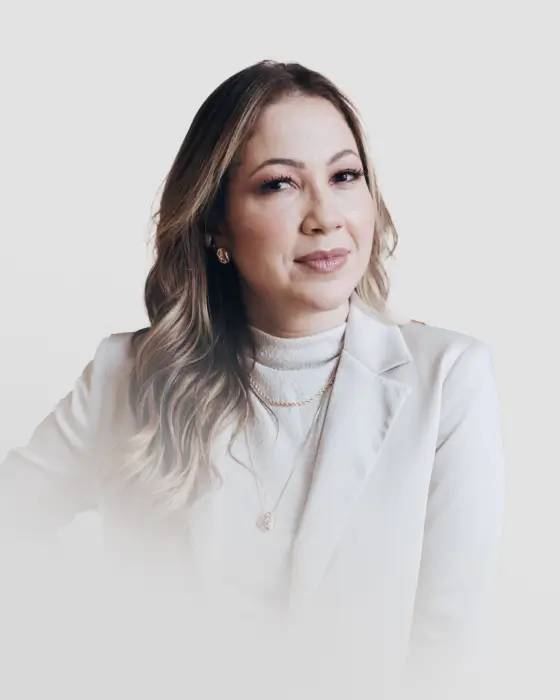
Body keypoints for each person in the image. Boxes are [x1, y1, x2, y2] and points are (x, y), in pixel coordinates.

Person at [0, 60, 506, 699]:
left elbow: (447, 654)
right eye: (279, 185)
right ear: (216, 223)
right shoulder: (126, 376)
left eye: (344, 176)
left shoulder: (448, 379)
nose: (324, 216)